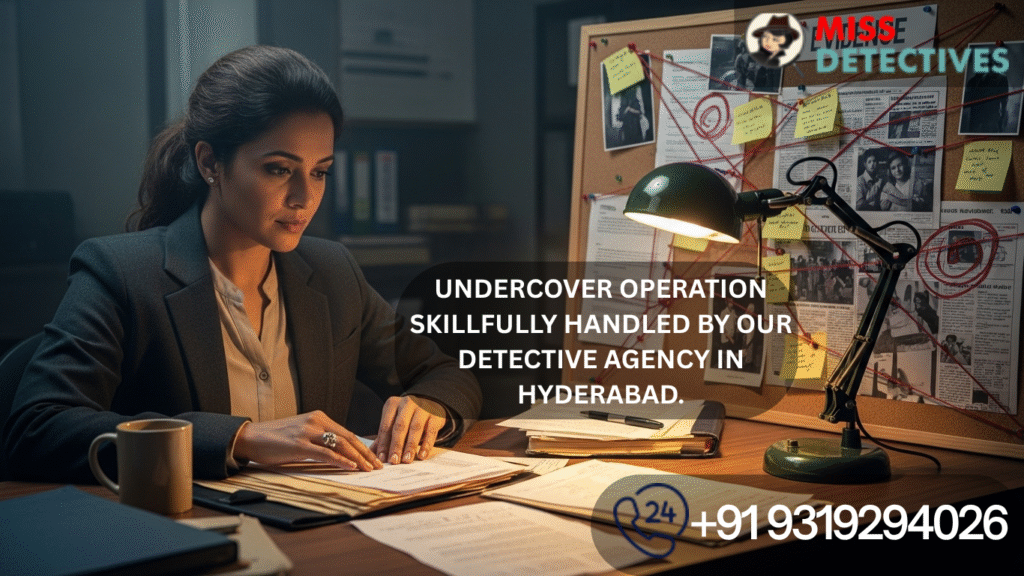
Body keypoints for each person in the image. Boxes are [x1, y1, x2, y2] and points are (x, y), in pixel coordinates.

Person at [2, 46, 481, 483]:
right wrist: (242, 438)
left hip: (317, 531)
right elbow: (37, 426)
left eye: (320, 172)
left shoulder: (334, 273)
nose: (304, 197)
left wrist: (428, 405)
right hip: (179, 537)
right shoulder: (121, 272)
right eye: (278, 169)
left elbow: (447, 374)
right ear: (211, 163)